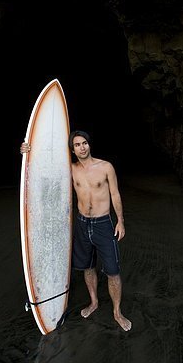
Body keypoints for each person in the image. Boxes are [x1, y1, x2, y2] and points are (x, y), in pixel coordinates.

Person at [20, 131, 132, 331]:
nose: (82, 147)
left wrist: (120, 221)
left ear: (89, 145)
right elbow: (44, 171)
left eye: (84, 143)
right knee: (88, 267)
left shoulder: (105, 167)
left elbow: (115, 194)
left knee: (113, 271)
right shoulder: (70, 169)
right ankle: (94, 302)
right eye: (77, 145)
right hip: (81, 223)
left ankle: (117, 312)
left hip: (103, 224)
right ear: (72, 150)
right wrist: (28, 153)